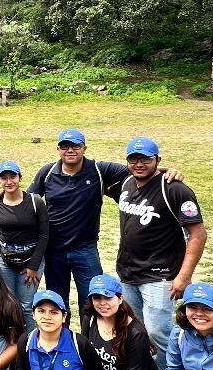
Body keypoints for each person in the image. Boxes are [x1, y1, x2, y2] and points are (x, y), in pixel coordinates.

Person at [27, 129, 184, 329]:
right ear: (58, 149)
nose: (70, 150)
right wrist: (2, 195)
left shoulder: (100, 170)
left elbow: (139, 169)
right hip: (54, 251)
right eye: (65, 146)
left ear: (84, 148)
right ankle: (62, 345)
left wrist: (168, 170)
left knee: (94, 301)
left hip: (85, 250)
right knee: (57, 302)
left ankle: (91, 345)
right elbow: (27, 202)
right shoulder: (47, 172)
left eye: (76, 145)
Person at [117, 136, 207, 370]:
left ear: (157, 160)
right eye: (133, 159)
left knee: (159, 332)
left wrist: (184, 277)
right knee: (135, 330)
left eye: (145, 159)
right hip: (129, 274)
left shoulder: (175, 190)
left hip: (160, 276)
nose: (139, 164)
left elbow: (197, 235)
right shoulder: (127, 184)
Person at [0, 160, 50, 330]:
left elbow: (44, 235)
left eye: (12, 176)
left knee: (26, 306)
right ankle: (11, 345)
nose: (9, 181)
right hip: (5, 259)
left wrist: (34, 266)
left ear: (20, 177)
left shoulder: (35, 202)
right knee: (8, 303)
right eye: (4, 178)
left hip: (31, 260)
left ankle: (29, 345)